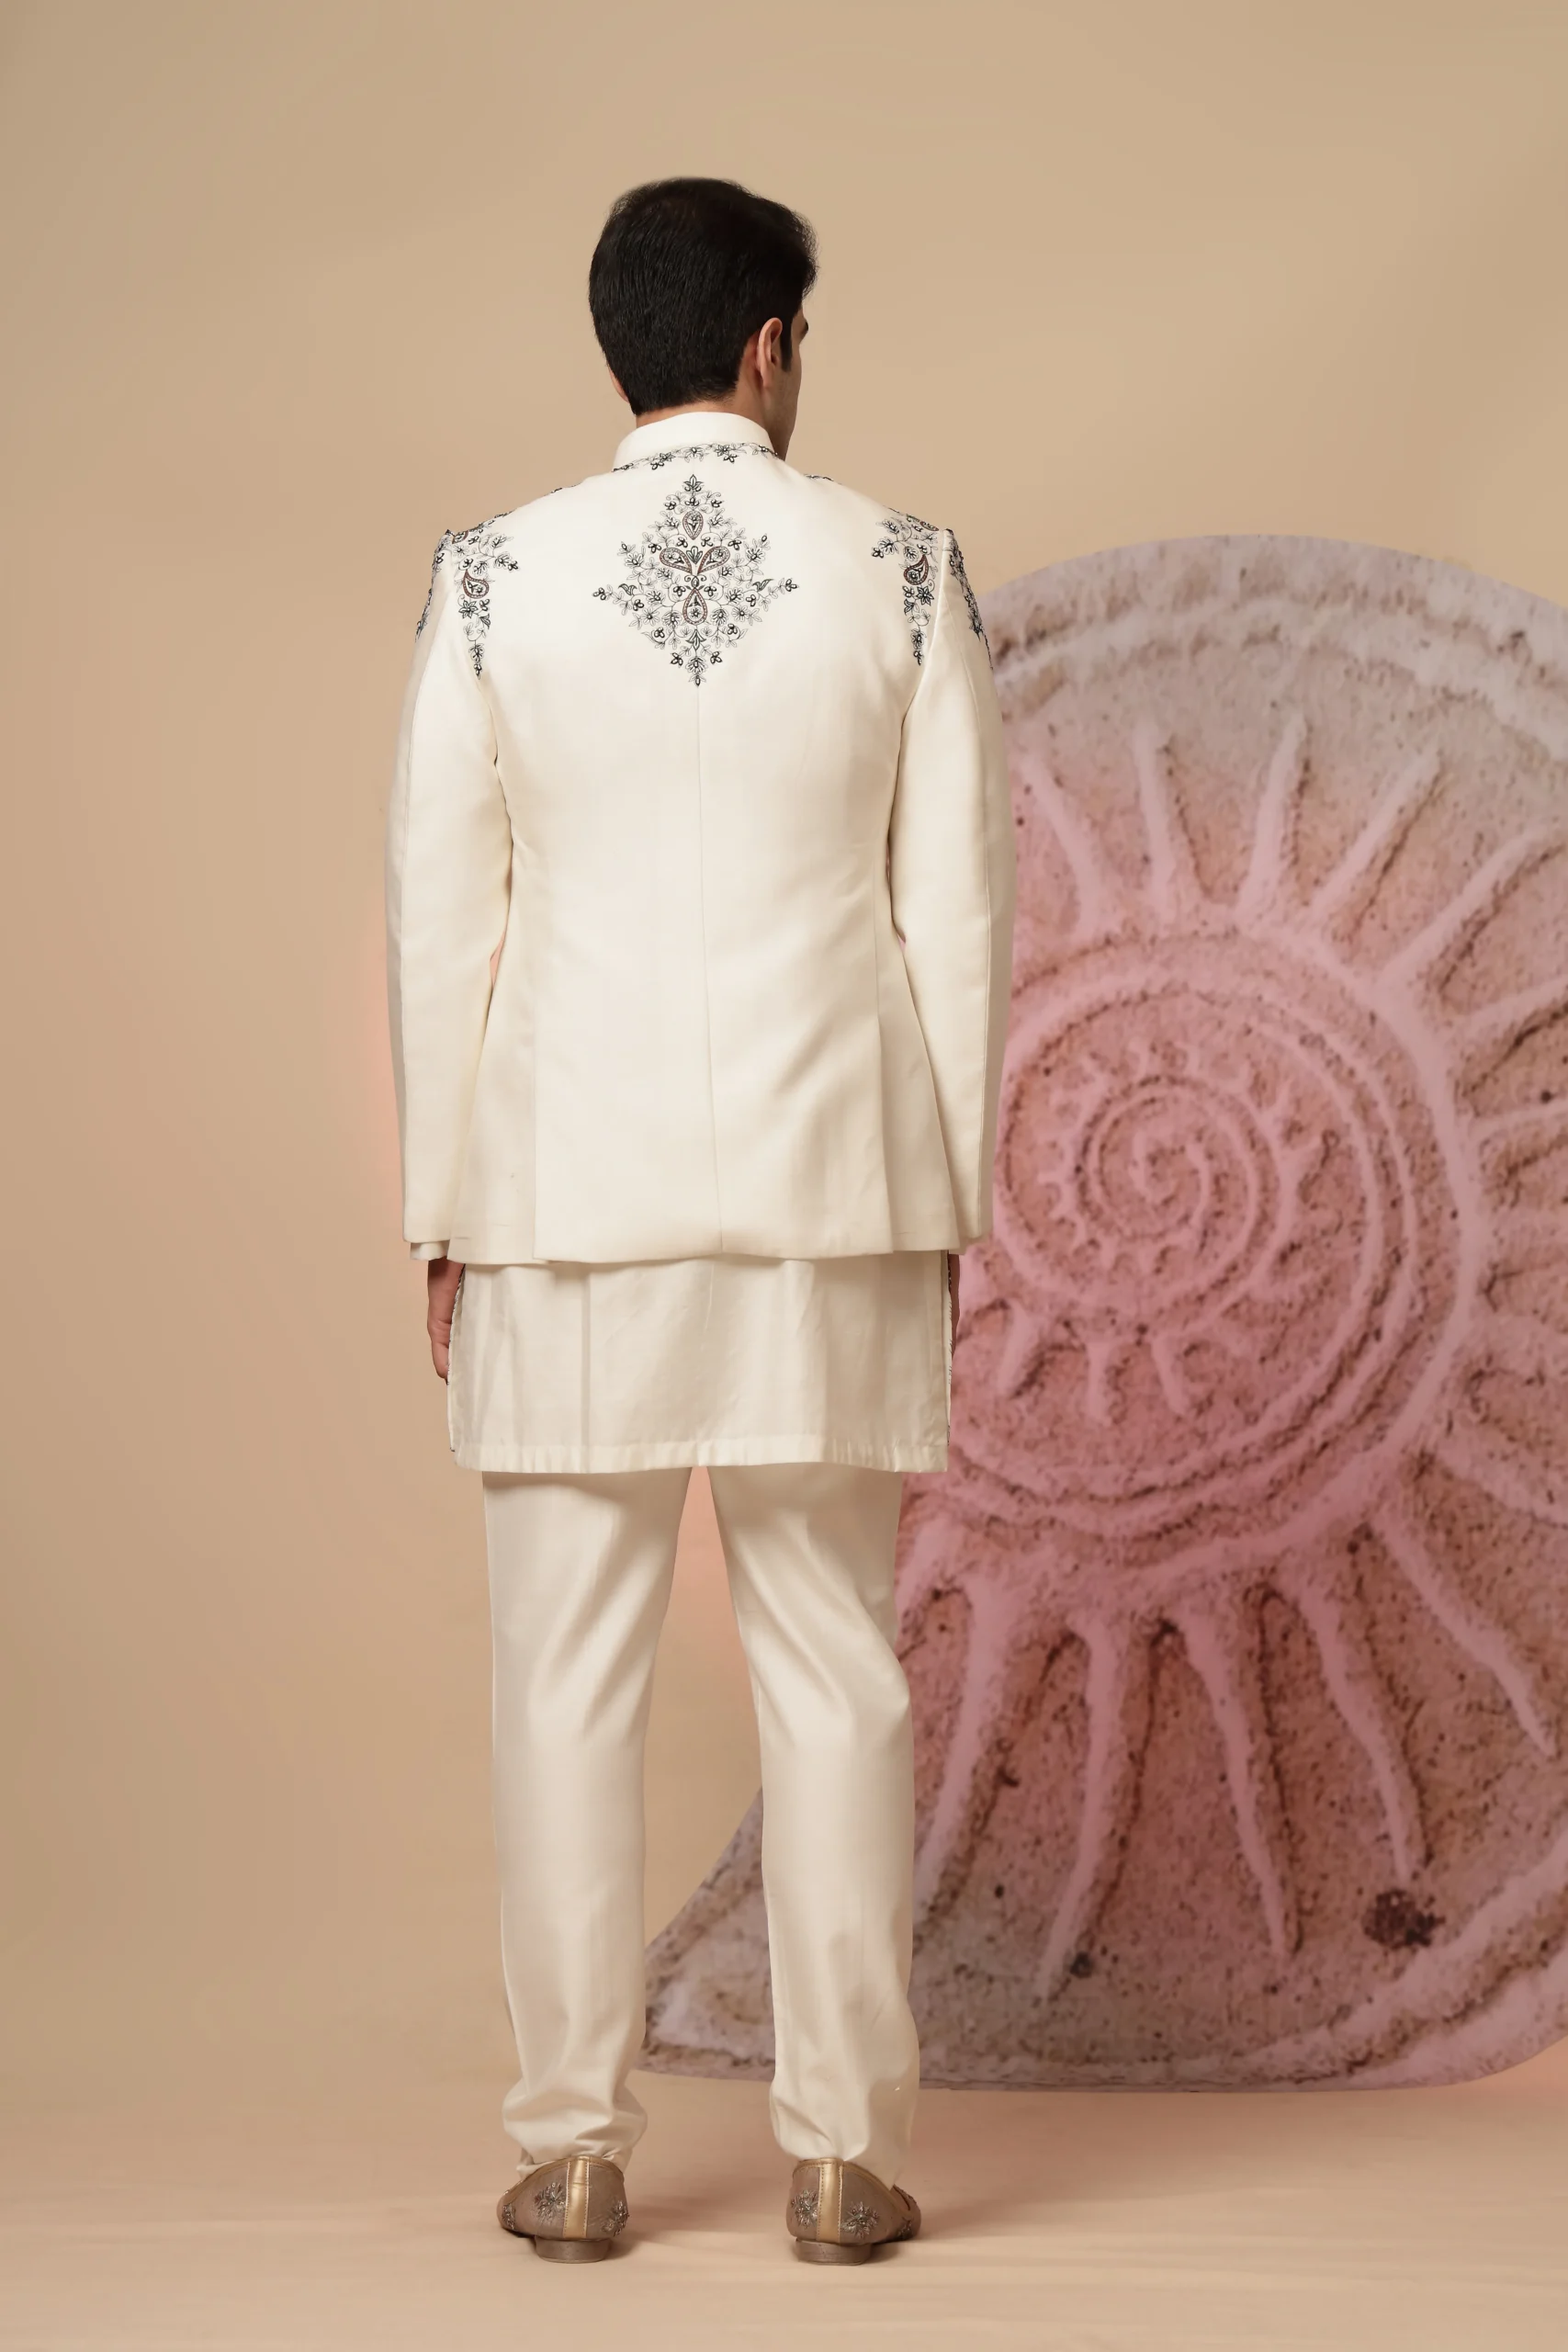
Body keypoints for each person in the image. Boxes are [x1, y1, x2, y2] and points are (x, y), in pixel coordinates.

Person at [384, 175, 1015, 2265]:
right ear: (767, 348)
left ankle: (575, 2149)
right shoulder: (903, 569)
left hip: (564, 1199)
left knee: (560, 1682)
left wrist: (441, 1205)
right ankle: (843, 2156)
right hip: (833, 1195)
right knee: (834, 1669)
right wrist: (944, 1199)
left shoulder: (490, 578)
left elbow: (441, 916)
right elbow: (958, 919)